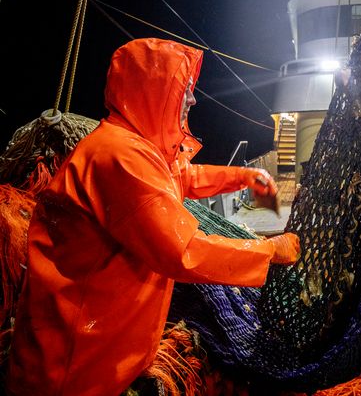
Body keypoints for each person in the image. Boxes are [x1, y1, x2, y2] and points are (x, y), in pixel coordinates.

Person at [6, 38, 301, 395]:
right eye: (185, 89)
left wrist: (242, 177)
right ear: (152, 90)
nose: (192, 99)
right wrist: (269, 252)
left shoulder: (138, 148)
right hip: (73, 367)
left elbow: (184, 177)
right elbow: (182, 251)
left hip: (102, 357)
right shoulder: (119, 157)